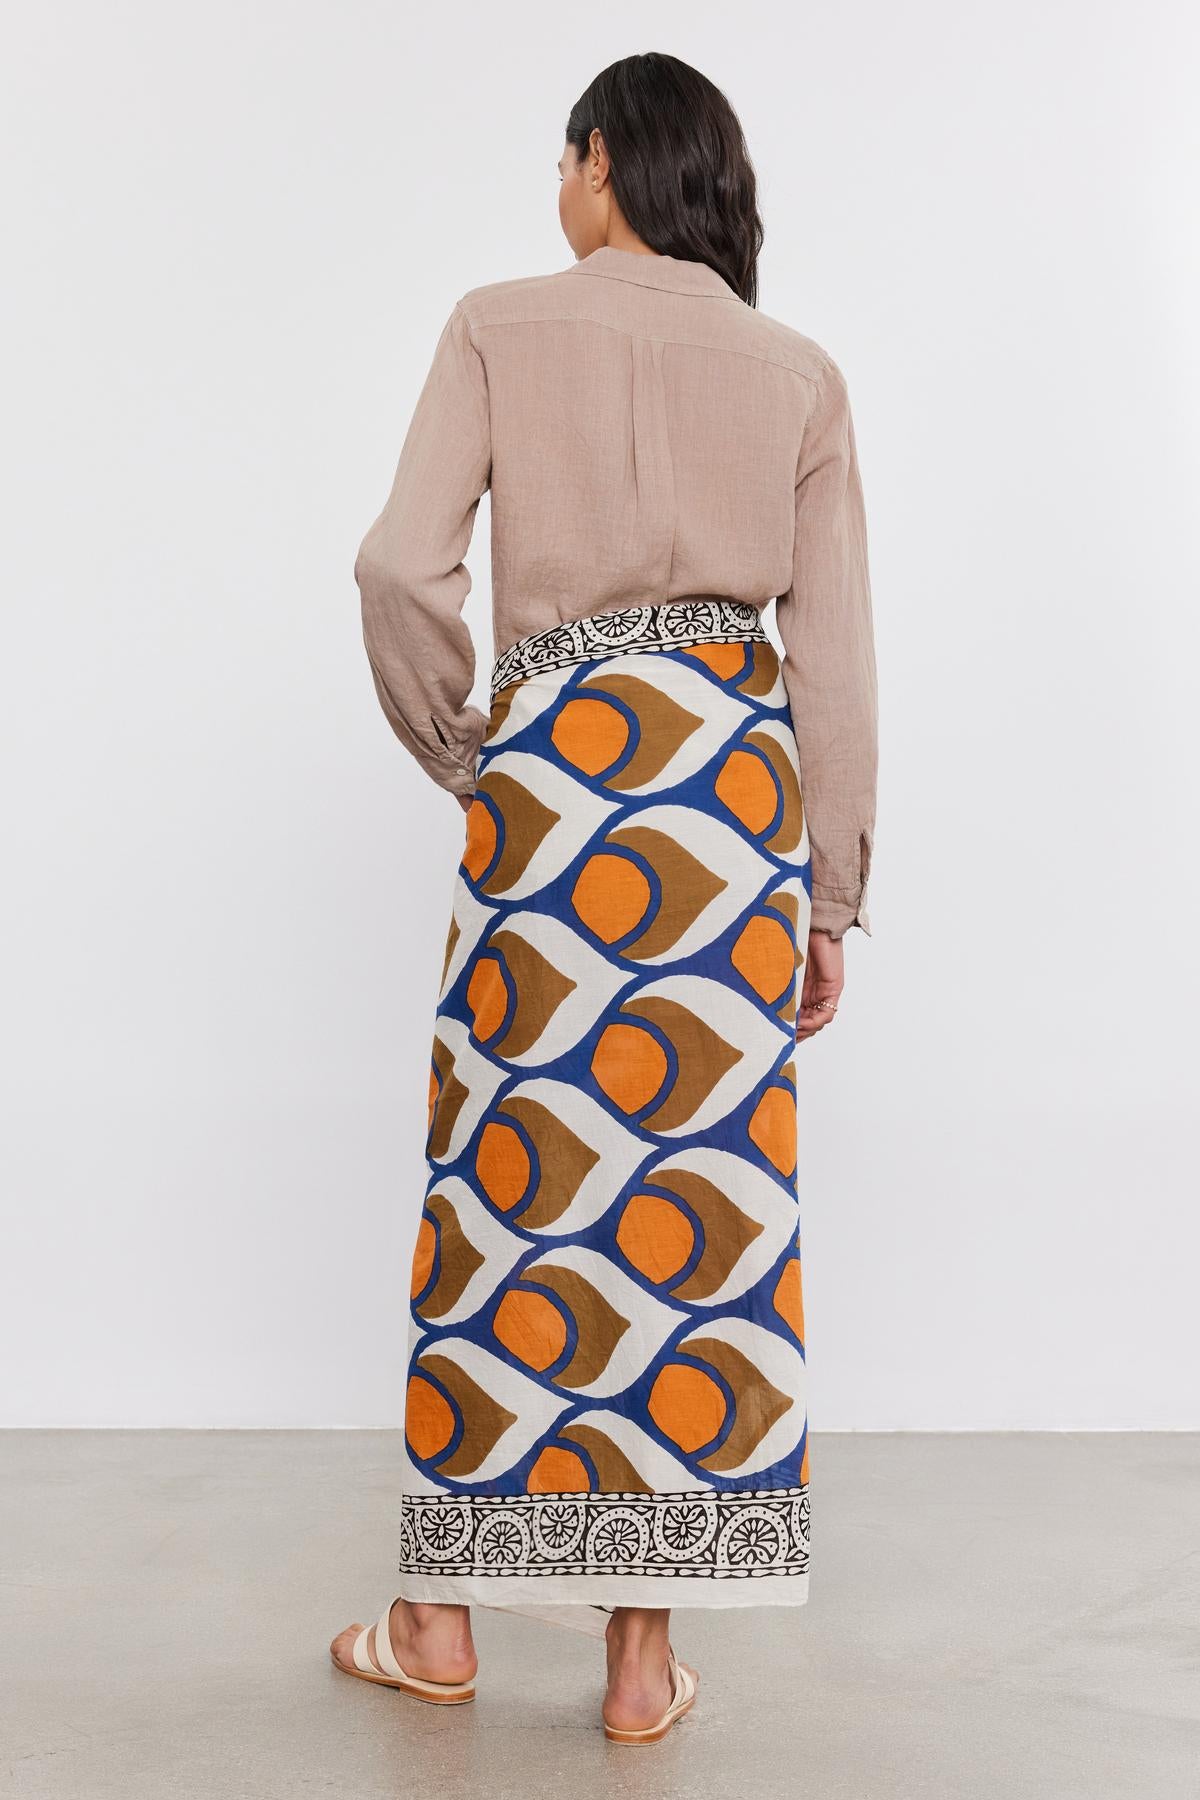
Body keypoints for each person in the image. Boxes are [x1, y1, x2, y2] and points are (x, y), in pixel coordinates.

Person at [331, 50, 877, 1746]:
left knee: (508, 1184)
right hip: (725, 812)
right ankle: (641, 1662)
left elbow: (396, 564)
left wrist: (473, 750)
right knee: (687, 1210)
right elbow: (836, 659)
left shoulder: (503, 323)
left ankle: (440, 1620)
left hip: (558, 798)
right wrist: (828, 895)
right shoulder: (798, 372)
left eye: (561, 163)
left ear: (596, 167)